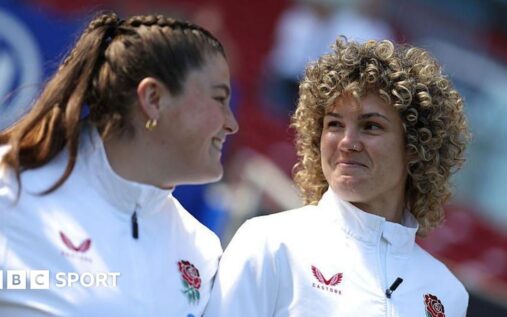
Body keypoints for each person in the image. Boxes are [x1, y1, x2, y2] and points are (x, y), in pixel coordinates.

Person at [204, 38, 469, 316]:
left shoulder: (446, 293)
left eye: (371, 126)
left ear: (416, 146)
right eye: (334, 124)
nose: (347, 141)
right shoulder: (269, 242)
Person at [0, 11, 237, 316]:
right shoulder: (11, 188)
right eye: (219, 99)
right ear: (153, 98)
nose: (232, 124)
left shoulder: (202, 251)